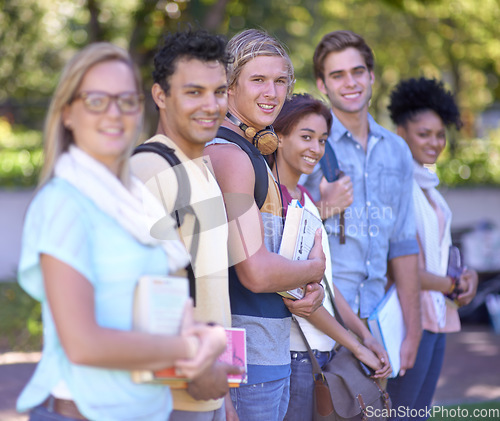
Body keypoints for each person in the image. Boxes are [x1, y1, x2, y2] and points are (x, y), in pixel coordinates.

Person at [16, 42, 227, 421]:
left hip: (148, 410)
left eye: (126, 101)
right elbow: (82, 344)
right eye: (97, 100)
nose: (114, 114)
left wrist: (208, 340)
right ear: (67, 113)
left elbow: (166, 308)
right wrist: (188, 346)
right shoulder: (64, 202)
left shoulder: (133, 202)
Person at [205, 29, 326, 421]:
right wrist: (314, 269)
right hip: (247, 361)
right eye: (257, 80)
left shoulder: (253, 151)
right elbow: (254, 272)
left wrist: (307, 288)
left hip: (267, 351)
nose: (271, 92)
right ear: (228, 86)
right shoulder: (232, 157)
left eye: (280, 81)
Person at [130, 30, 244, 421]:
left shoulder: (201, 166)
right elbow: (141, 299)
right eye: (193, 92)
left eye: (219, 91)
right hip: (169, 395)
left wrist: (222, 395)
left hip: (207, 390)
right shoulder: (149, 171)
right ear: (160, 96)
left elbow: (205, 285)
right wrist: (198, 377)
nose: (210, 105)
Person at [301, 30, 422, 377]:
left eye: (357, 72)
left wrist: (412, 331)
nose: (350, 82)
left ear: (371, 76)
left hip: (380, 319)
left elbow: (404, 244)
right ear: (323, 85)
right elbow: (283, 233)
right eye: (337, 75)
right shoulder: (311, 142)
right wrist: (323, 207)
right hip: (322, 320)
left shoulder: (397, 149)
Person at [270, 93, 392, 421]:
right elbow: (302, 300)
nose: (316, 148)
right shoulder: (277, 202)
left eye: (322, 140)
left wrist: (366, 335)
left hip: (322, 354)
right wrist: (356, 346)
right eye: (305, 137)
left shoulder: (304, 197)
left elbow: (327, 284)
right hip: (299, 356)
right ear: (278, 138)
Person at [386, 77, 478, 420]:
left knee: (418, 413)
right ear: (400, 133)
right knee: (400, 413)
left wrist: (464, 277)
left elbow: (440, 256)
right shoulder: (397, 186)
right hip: (410, 316)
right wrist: (450, 285)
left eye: (440, 134)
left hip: (438, 314)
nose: (435, 142)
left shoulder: (430, 189)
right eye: (423, 134)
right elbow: (395, 265)